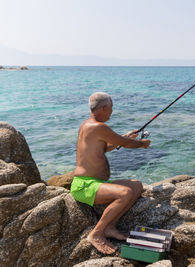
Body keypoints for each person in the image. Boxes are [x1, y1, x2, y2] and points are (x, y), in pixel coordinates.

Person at [70, 92, 151, 254]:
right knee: (125, 193)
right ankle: (96, 233)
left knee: (136, 186)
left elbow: (105, 147)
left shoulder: (89, 125)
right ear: (105, 108)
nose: (112, 112)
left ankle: (110, 227)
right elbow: (126, 143)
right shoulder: (98, 126)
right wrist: (141, 143)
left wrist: (124, 138)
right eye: (111, 108)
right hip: (83, 186)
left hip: (95, 183)